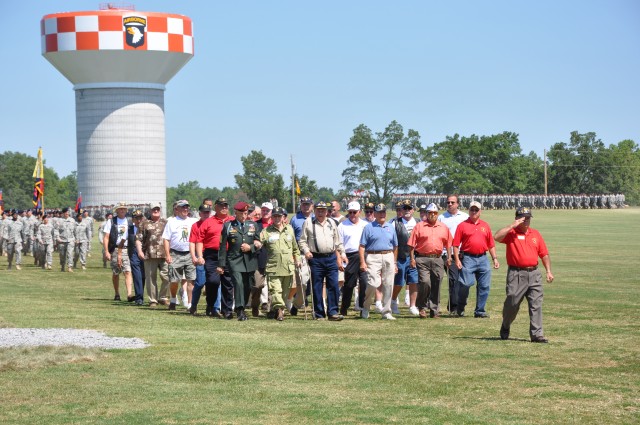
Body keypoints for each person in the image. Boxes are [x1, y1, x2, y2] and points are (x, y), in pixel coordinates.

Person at [494, 207, 555, 343]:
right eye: (523, 218)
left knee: (536, 304)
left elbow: (544, 254)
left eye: (528, 218)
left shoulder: (535, 234)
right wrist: (512, 225)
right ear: (517, 218)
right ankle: (506, 325)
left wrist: (548, 271)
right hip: (516, 274)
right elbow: (496, 237)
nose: (526, 221)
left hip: (534, 273)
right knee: (512, 302)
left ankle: (537, 334)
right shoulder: (511, 233)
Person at [299, 201, 346, 321]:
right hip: (316, 258)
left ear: (327, 211)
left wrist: (343, 254)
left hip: (331, 258)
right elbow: (302, 241)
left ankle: (333, 312)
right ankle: (319, 313)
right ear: (314, 210)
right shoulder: (308, 223)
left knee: (333, 285)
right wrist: (306, 251)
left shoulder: (331, 223)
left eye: (323, 210)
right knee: (317, 287)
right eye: (319, 210)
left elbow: (338, 241)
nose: (321, 212)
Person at [452, 201, 499, 318]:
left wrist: (495, 259)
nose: (474, 212)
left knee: (484, 286)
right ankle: (461, 306)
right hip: (468, 258)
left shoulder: (485, 225)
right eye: (472, 210)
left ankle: (480, 310)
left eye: (476, 210)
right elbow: (456, 245)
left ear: (480, 212)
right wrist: (457, 260)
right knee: (465, 284)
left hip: (483, 258)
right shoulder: (462, 225)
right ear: (469, 211)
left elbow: (491, 244)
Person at [217, 201, 261, 321]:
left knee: (248, 286)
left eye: (246, 213)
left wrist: (250, 247)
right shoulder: (228, 226)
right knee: (238, 283)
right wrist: (221, 264)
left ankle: (241, 306)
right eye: (242, 212)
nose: (244, 215)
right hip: (234, 260)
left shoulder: (253, 225)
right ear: (236, 212)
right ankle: (240, 309)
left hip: (249, 260)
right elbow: (222, 246)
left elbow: (259, 243)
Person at [408, 203, 452, 318]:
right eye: (430, 213)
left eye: (435, 213)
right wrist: (412, 259)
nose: (432, 215)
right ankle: (422, 307)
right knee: (425, 282)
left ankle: (434, 309)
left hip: (437, 259)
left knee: (437, 283)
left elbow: (448, 244)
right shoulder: (419, 226)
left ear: (437, 214)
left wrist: (449, 257)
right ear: (426, 214)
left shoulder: (443, 227)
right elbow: (411, 244)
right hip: (422, 258)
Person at [195, 198, 235, 318]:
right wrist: (200, 256)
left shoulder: (233, 221)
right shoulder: (208, 222)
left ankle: (227, 310)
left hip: (229, 254)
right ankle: (211, 306)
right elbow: (199, 240)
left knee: (228, 283)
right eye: (221, 206)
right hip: (212, 255)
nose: (224, 208)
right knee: (213, 281)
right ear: (216, 207)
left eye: (226, 206)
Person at [259, 207, 301, 321]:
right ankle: (280, 311)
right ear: (272, 218)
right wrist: (256, 244)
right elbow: (259, 241)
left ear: (283, 218)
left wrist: (297, 259)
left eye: (279, 216)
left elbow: (295, 248)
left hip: (288, 267)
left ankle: (274, 309)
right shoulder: (266, 231)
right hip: (273, 267)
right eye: (275, 216)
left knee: (285, 292)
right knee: (275, 290)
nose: (277, 218)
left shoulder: (290, 230)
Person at [358, 203, 398, 320]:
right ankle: (366, 307)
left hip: (388, 256)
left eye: (384, 212)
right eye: (379, 212)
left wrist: (394, 262)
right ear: (374, 214)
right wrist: (362, 262)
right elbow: (361, 246)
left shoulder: (391, 227)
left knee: (388, 284)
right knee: (373, 283)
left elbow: (395, 246)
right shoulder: (368, 227)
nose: (382, 214)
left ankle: (386, 311)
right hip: (373, 256)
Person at [162, 200, 198, 311]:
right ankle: (173, 299)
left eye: (187, 207)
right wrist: (167, 254)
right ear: (177, 209)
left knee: (191, 279)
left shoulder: (193, 221)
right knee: (174, 280)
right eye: (183, 208)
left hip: (189, 253)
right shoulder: (171, 222)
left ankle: (190, 304)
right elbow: (166, 239)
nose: (185, 210)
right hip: (175, 253)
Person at [437, 195, 469, 315]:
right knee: (454, 280)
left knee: (465, 282)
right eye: (448, 202)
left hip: (463, 253)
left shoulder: (465, 217)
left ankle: (460, 306)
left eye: (452, 202)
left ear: (458, 204)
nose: (450, 204)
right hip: (448, 254)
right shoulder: (441, 218)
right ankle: (454, 308)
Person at [337, 201, 369, 316]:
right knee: (350, 284)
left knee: (365, 281)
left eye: (354, 212)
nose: (352, 214)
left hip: (364, 255)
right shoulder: (342, 225)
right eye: (350, 212)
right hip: (349, 256)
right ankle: (344, 307)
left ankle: (362, 306)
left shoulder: (365, 225)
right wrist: (342, 256)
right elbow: (339, 243)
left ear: (359, 212)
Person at [389, 199, 420, 316]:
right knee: (399, 282)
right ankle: (393, 301)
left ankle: (412, 305)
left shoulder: (418, 222)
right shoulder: (395, 223)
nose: (407, 210)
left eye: (409, 208)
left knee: (413, 281)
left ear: (413, 210)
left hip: (414, 257)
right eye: (404, 208)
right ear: (401, 210)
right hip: (400, 257)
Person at [136, 202, 170, 307]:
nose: (156, 211)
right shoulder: (144, 223)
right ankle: (153, 300)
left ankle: (163, 297)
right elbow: (138, 239)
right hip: (149, 254)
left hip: (164, 253)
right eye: (154, 209)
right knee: (151, 278)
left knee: (167, 276)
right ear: (150, 211)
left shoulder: (166, 222)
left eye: (158, 209)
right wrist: (139, 251)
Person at [103, 203, 134, 301]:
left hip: (127, 249)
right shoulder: (111, 221)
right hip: (115, 249)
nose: (122, 211)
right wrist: (107, 251)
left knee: (128, 271)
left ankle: (129, 294)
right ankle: (117, 293)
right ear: (117, 210)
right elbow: (106, 237)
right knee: (116, 273)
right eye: (120, 209)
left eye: (124, 209)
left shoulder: (130, 221)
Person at [188, 201, 213, 315]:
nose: (206, 214)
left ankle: (211, 307)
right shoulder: (195, 226)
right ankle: (193, 305)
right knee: (200, 282)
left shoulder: (213, 224)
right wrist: (194, 257)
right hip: (200, 257)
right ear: (200, 213)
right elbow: (192, 242)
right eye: (204, 212)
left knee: (212, 283)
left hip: (212, 256)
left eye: (208, 212)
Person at [127, 209, 146, 305]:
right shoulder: (129, 229)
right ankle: (139, 298)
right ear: (133, 219)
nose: (139, 220)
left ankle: (141, 294)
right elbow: (123, 240)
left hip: (145, 252)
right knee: (137, 275)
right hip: (134, 253)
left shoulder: (146, 228)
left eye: (140, 218)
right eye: (136, 218)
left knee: (143, 275)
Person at [55, 207, 77, 272]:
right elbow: (56, 230)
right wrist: (57, 238)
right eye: (66, 212)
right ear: (63, 213)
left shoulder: (72, 220)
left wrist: (76, 238)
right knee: (62, 254)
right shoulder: (59, 221)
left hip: (70, 240)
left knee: (70, 253)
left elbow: (75, 230)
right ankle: (62, 265)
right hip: (62, 240)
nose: (67, 213)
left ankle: (70, 267)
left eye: (68, 212)